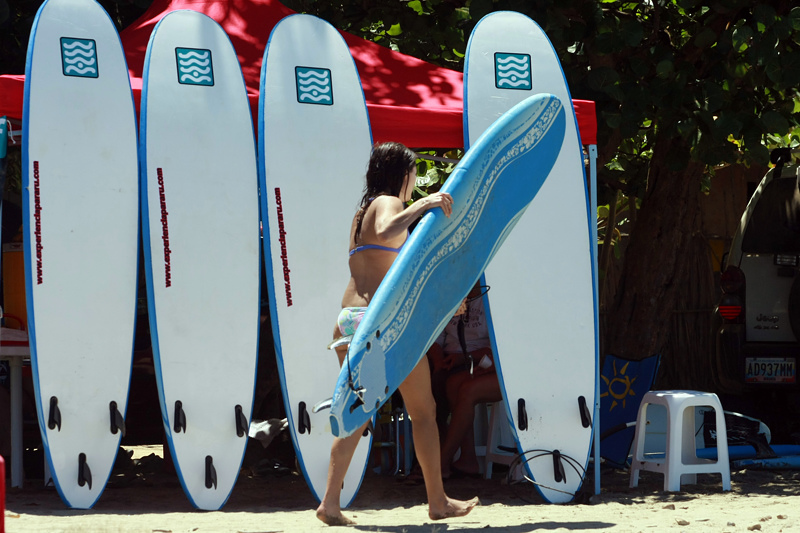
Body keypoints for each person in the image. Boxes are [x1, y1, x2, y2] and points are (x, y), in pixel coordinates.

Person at [316, 142, 480, 526]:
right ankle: (437, 501)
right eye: (413, 176)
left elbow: (392, 270)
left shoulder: (361, 212)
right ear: (402, 174)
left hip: (350, 319)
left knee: (358, 414)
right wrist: (425, 205)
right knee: (424, 412)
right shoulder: (388, 202)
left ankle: (330, 503)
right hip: (379, 324)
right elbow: (393, 229)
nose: (414, 185)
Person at [429, 285, 502, 479]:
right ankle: (466, 458)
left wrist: (467, 358)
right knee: (445, 385)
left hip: (482, 361)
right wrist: (438, 363)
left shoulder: (494, 298)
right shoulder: (450, 295)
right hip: (452, 360)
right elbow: (434, 338)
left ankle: (441, 463)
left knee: (462, 388)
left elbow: (499, 346)